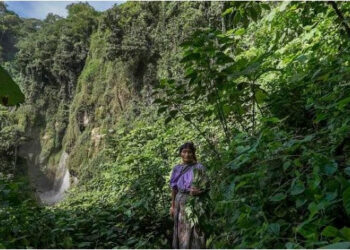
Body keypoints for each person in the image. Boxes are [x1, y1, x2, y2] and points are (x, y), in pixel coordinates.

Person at [170, 142, 209, 249]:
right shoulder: (177, 169)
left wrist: (199, 191)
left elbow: (207, 186)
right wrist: (172, 206)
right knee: (182, 229)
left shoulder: (199, 167)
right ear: (180, 154)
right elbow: (174, 188)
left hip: (195, 202)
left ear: (193, 153)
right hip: (180, 202)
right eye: (184, 152)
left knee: (195, 228)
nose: (187, 155)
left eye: (189, 152)